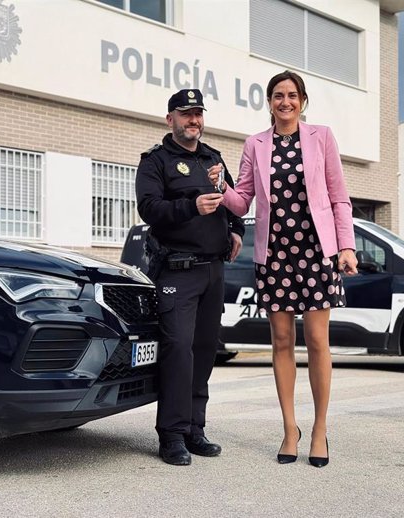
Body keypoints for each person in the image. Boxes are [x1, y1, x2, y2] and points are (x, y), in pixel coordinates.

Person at [211, 70, 358, 467]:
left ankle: (320, 428)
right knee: (280, 341)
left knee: (316, 340)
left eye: (292, 95)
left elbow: (339, 197)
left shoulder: (321, 137)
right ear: (270, 101)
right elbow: (242, 202)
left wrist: (346, 246)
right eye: (278, 95)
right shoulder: (255, 144)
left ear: (303, 101)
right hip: (275, 254)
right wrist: (221, 187)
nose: (285, 102)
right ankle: (290, 428)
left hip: (316, 251)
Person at [136, 89, 244, 466]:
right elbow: (150, 208)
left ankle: (195, 429)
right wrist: (190, 206)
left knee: (202, 352)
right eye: (185, 114)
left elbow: (233, 200)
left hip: (213, 270)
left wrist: (236, 230)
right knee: (178, 351)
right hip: (177, 271)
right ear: (170, 120)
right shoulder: (156, 161)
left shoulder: (212, 158)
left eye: (197, 114)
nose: (193, 120)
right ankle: (172, 435)